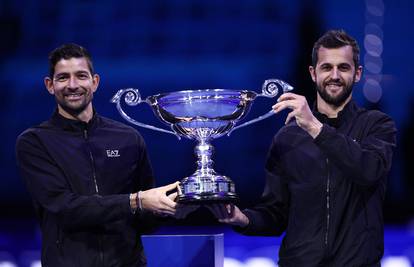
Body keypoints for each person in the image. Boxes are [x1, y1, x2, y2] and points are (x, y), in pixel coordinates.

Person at [209, 30, 397, 266]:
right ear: (313, 73)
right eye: (326, 67)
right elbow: (276, 215)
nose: (335, 75)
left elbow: (368, 170)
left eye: (344, 68)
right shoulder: (288, 137)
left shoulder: (377, 125)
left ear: (357, 74)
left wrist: (315, 127)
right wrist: (243, 218)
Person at [15, 43, 188, 266]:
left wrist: (170, 207)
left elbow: (145, 221)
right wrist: (136, 201)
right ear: (50, 85)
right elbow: (66, 209)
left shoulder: (127, 138)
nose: (73, 85)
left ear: (95, 82)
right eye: (63, 78)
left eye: (81, 76)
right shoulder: (35, 142)